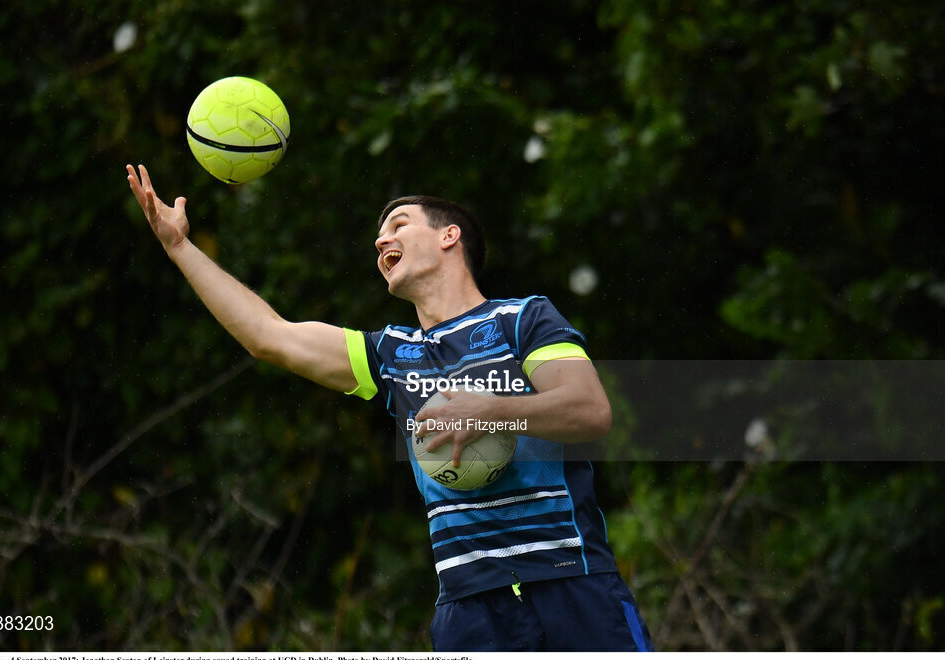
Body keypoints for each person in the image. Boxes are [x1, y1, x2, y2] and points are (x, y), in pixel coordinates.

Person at [125, 164, 654, 652]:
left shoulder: (524, 318)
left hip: (570, 582)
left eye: (399, 224)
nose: (382, 240)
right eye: (379, 235)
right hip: (468, 606)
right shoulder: (390, 355)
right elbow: (270, 337)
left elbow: (589, 410)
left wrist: (489, 411)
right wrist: (180, 248)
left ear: (450, 237)